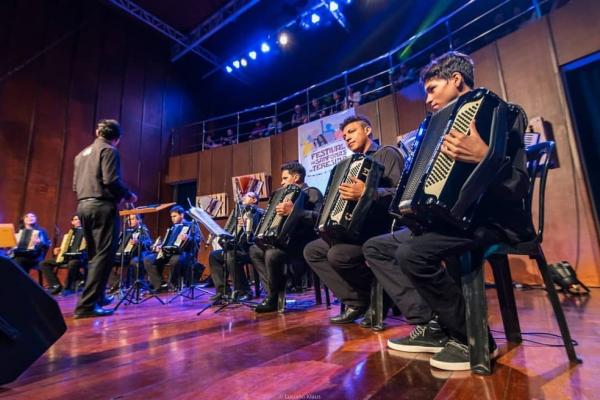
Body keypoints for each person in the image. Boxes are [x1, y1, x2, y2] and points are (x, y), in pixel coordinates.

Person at [365, 51, 532, 371]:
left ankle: (473, 337)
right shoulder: (436, 128)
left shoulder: (503, 113)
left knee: (413, 253)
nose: (427, 99)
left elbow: (517, 186)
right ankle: (435, 324)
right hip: (453, 222)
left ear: (456, 80)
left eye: (432, 88)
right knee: (379, 247)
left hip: (495, 220)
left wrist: (487, 157)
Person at [304, 115, 404, 325]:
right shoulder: (345, 167)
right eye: (344, 135)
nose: (347, 138)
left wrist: (368, 193)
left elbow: (401, 193)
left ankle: (382, 296)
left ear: (367, 130)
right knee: (313, 250)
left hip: (381, 230)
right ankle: (357, 300)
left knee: (338, 254)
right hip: (354, 232)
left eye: (352, 131)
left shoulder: (387, 154)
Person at [72, 119, 137, 318]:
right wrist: (128, 195)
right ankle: (86, 306)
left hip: (83, 206)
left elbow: (75, 186)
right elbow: (111, 180)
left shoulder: (81, 154)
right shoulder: (109, 150)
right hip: (102, 206)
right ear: (117, 139)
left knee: (94, 255)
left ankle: (98, 296)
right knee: (104, 255)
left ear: (97, 132)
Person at [249, 162, 323, 312]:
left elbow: (320, 218)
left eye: (284, 178)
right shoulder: (281, 196)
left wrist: (296, 212)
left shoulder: (312, 193)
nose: (281, 182)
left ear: (296, 177)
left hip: (301, 244)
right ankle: (272, 294)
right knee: (254, 250)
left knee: (272, 254)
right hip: (282, 243)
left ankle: (274, 297)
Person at [208, 192, 263, 302]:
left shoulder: (258, 213)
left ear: (254, 200)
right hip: (234, 248)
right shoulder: (237, 211)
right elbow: (229, 230)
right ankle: (223, 291)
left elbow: (257, 235)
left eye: (247, 196)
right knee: (214, 255)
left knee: (230, 255)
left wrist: (248, 224)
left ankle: (244, 291)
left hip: (250, 250)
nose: (243, 197)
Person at [143, 205, 202, 292]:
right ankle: (158, 285)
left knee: (175, 260)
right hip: (167, 252)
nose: (172, 218)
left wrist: (188, 238)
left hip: (183, 253)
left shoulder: (191, 226)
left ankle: (172, 285)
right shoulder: (172, 228)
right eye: (171, 217)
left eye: (175, 216)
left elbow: (197, 240)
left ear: (182, 215)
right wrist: (160, 247)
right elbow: (167, 242)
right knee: (148, 259)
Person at [40, 214, 87, 295]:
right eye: (75, 219)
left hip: (80, 258)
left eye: (79, 219)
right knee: (44, 263)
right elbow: (63, 247)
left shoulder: (87, 233)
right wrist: (58, 249)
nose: (78, 221)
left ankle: (68, 287)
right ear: (72, 222)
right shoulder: (67, 235)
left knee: (72, 264)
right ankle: (56, 285)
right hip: (65, 257)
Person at [107, 213, 153, 294]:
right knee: (107, 259)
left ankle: (138, 286)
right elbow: (119, 243)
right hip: (124, 254)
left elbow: (149, 242)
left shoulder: (142, 229)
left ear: (139, 220)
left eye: (132, 219)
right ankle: (115, 285)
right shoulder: (127, 230)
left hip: (136, 254)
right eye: (128, 219)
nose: (129, 221)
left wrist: (138, 242)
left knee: (135, 261)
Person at [11, 212, 51, 276]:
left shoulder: (41, 231)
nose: (30, 218)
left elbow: (46, 244)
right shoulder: (19, 231)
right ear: (23, 220)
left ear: (36, 219)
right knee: (7, 259)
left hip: (34, 257)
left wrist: (40, 242)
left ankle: (20, 282)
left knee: (18, 260)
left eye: (32, 216)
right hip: (19, 254)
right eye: (27, 216)